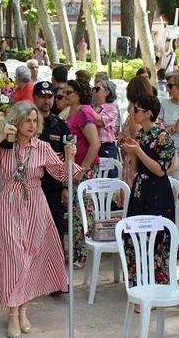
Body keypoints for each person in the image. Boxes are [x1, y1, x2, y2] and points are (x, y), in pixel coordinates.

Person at [0, 101, 79, 338]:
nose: (32, 125)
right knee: (15, 258)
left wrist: (70, 158)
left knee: (30, 258)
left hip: (36, 203)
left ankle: (23, 310)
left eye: (35, 120)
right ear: (16, 121)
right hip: (9, 203)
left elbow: (63, 175)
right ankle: (13, 315)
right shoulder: (4, 146)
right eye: (27, 120)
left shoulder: (42, 147)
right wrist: (0, 135)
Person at [118, 92, 176, 293]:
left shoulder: (163, 137)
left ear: (148, 113)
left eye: (137, 109)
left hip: (157, 191)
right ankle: (138, 284)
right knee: (135, 235)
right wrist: (131, 151)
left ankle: (155, 286)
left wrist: (139, 152)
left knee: (156, 238)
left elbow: (161, 169)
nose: (132, 112)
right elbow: (135, 169)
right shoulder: (141, 134)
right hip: (140, 188)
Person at [56, 79, 100, 267]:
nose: (66, 95)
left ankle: (81, 254)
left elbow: (95, 143)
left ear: (79, 94)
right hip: (74, 167)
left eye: (69, 92)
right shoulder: (71, 112)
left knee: (81, 212)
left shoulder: (83, 113)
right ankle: (76, 251)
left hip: (83, 169)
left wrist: (83, 169)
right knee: (74, 211)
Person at [34, 81, 71, 250]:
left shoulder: (61, 126)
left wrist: (66, 187)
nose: (46, 101)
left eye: (50, 97)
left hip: (54, 187)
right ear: (34, 98)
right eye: (42, 96)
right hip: (31, 186)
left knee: (56, 228)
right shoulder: (26, 124)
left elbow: (68, 159)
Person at [91, 78, 119, 176]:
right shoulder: (93, 108)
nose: (94, 91)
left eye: (97, 89)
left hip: (106, 147)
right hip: (94, 146)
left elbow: (100, 121)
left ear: (107, 92)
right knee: (96, 177)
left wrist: (86, 110)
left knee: (109, 179)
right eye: (93, 89)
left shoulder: (111, 108)